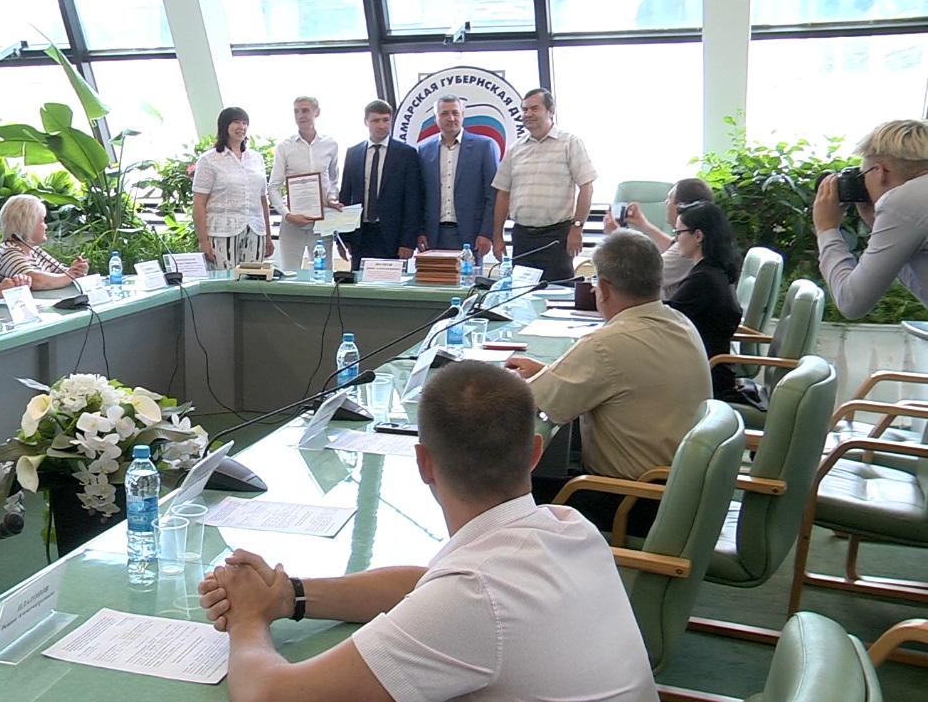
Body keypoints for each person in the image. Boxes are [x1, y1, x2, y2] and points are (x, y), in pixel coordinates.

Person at [196, 361, 656, 702]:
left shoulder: (474, 596)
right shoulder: (569, 527)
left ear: (423, 463)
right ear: (535, 453)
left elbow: (271, 695)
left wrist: (249, 619)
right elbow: (423, 586)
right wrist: (288, 595)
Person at [506, 230, 710, 531]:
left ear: (602, 288)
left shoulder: (607, 344)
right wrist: (548, 372)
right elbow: (623, 378)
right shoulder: (681, 322)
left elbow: (531, 402)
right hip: (677, 497)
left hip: (629, 503)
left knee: (501, 500)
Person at [814, 118, 928, 318]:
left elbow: (851, 302)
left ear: (879, 171)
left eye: (863, 175)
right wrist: (876, 224)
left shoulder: (904, 200)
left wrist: (826, 229)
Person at [491, 88, 597, 281]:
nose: (528, 114)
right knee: (521, 293)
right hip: (522, 237)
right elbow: (503, 193)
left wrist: (577, 228)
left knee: (557, 292)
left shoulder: (569, 143)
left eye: (534, 108)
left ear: (551, 111)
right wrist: (497, 236)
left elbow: (586, 187)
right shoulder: (516, 148)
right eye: (524, 109)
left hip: (557, 236)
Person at [664, 202, 743, 398]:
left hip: (705, 379)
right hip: (708, 370)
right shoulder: (715, 271)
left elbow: (664, 319)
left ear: (698, 236)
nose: (676, 239)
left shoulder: (703, 279)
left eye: (678, 232)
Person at [337, 100, 423, 266]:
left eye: (385, 120)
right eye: (376, 120)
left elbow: (413, 201)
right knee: (358, 280)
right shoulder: (353, 153)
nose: (382, 125)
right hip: (360, 236)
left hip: (393, 238)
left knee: (391, 281)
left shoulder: (406, 154)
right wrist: (343, 238)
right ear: (366, 122)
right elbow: (346, 196)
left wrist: (408, 241)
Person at [415, 94, 500, 259]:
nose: (451, 118)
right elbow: (418, 196)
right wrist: (419, 231)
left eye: (455, 112)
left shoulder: (484, 146)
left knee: (469, 276)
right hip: (433, 236)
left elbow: (493, 195)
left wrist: (487, 233)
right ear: (435, 118)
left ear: (463, 115)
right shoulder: (423, 150)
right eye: (444, 114)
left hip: (472, 236)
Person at [192, 107, 275, 271]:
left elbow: (262, 199)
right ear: (225, 126)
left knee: (252, 279)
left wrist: (268, 235)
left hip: (255, 230)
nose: (241, 127)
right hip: (222, 232)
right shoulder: (209, 159)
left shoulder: (256, 158)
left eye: (244, 123)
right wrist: (203, 240)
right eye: (236, 122)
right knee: (225, 279)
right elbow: (199, 203)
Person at [604, 177, 714, 299]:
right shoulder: (700, 236)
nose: (666, 203)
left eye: (669, 199)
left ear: (681, 207)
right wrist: (643, 224)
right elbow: (671, 246)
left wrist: (616, 235)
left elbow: (638, 277)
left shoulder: (690, 248)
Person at [267, 96, 342, 269]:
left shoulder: (330, 144)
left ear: (317, 112)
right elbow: (273, 186)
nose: (300, 115)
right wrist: (287, 214)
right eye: (296, 111)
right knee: (290, 274)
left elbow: (333, 180)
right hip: (292, 223)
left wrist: (331, 198)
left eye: (305, 110)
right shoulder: (285, 147)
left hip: (321, 223)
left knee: (324, 274)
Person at [0, 195, 90, 290]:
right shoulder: (8, 251)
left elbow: (61, 273)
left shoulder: (33, 249)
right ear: (27, 224)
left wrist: (77, 270)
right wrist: (70, 275)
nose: (46, 226)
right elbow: (35, 280)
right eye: (42, 221)